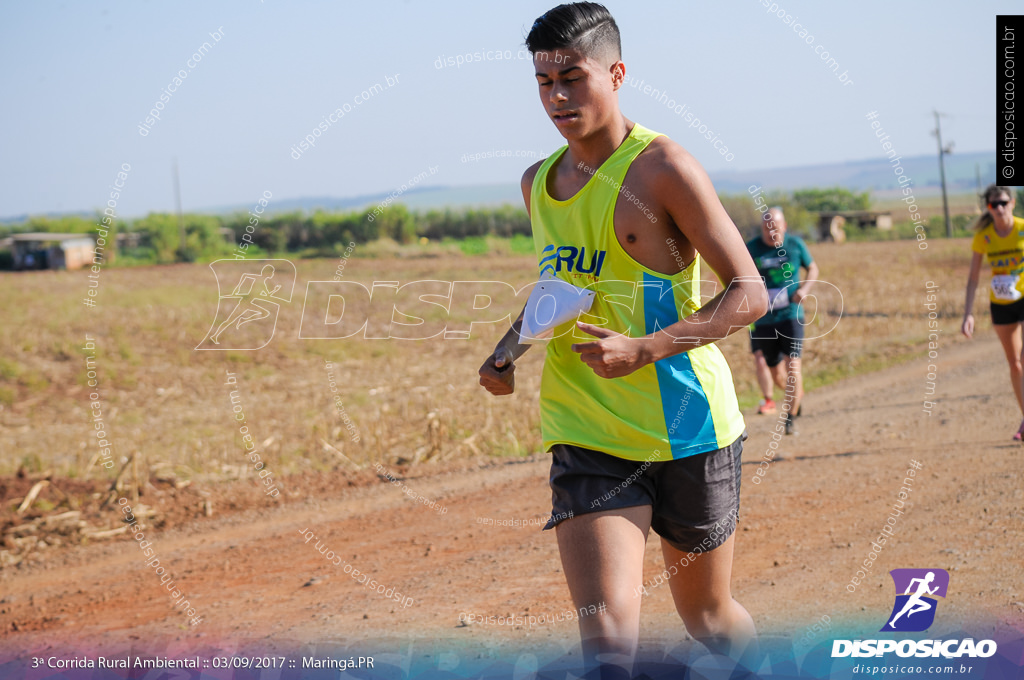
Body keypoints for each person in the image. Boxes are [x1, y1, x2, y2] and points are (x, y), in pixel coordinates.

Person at [478, 3, 768, 676]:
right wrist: (507, 351)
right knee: (608, 645)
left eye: (571, 78)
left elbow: (749, 292)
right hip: (587, 429)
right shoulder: (539, 184)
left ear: (616, 73)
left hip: (689, 428)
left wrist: (647, 348)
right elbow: (562, 285)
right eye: (544, 82)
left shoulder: (663, 167)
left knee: (709, 621)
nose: (556, 96)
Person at [746, 207, 818, 435]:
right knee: (776, 371)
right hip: (764, 320)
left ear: (784, 226)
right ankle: (796, 397)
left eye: (775, 227)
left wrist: (805, 289)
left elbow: (813, 268)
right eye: (767, 228)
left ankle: (790, 417)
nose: (771, 232)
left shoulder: (795, 245)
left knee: (793, 365)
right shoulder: (752, 248)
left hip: (791, 315)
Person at [962, 184, 1024, 440]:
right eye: (993, 204)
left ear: (1012, 202)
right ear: (988, 208)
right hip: (1000, 302)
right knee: (1015, 364)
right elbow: (974, 278)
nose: (999, 208)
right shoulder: (984, 237)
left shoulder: (1022, 228)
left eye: (1003, 202)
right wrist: (968, 314)